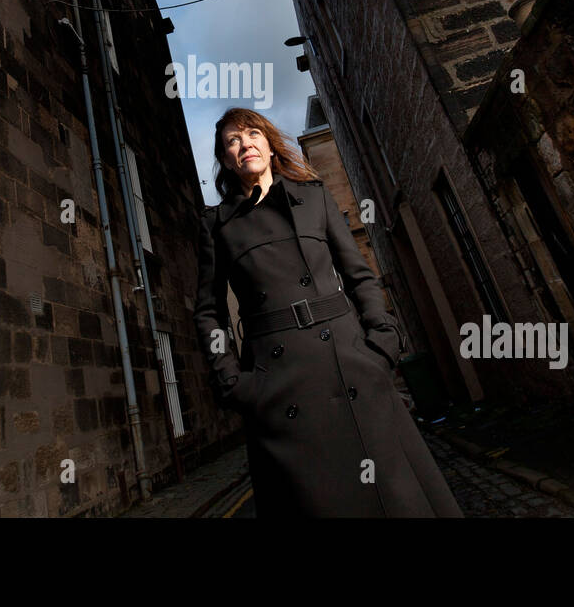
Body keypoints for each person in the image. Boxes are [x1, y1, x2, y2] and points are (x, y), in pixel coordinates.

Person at [194, 106, 464, 517]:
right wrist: (234, 382)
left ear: (268, 145)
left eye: (252, 134)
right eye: (232, 140)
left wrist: (381, 343)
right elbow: (208, 312)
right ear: (227, 159)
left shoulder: (315, 197)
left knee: (393, 499)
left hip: (350, 364)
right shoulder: (218, 225)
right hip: (277, 386)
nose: (244, 143)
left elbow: (360, 276)